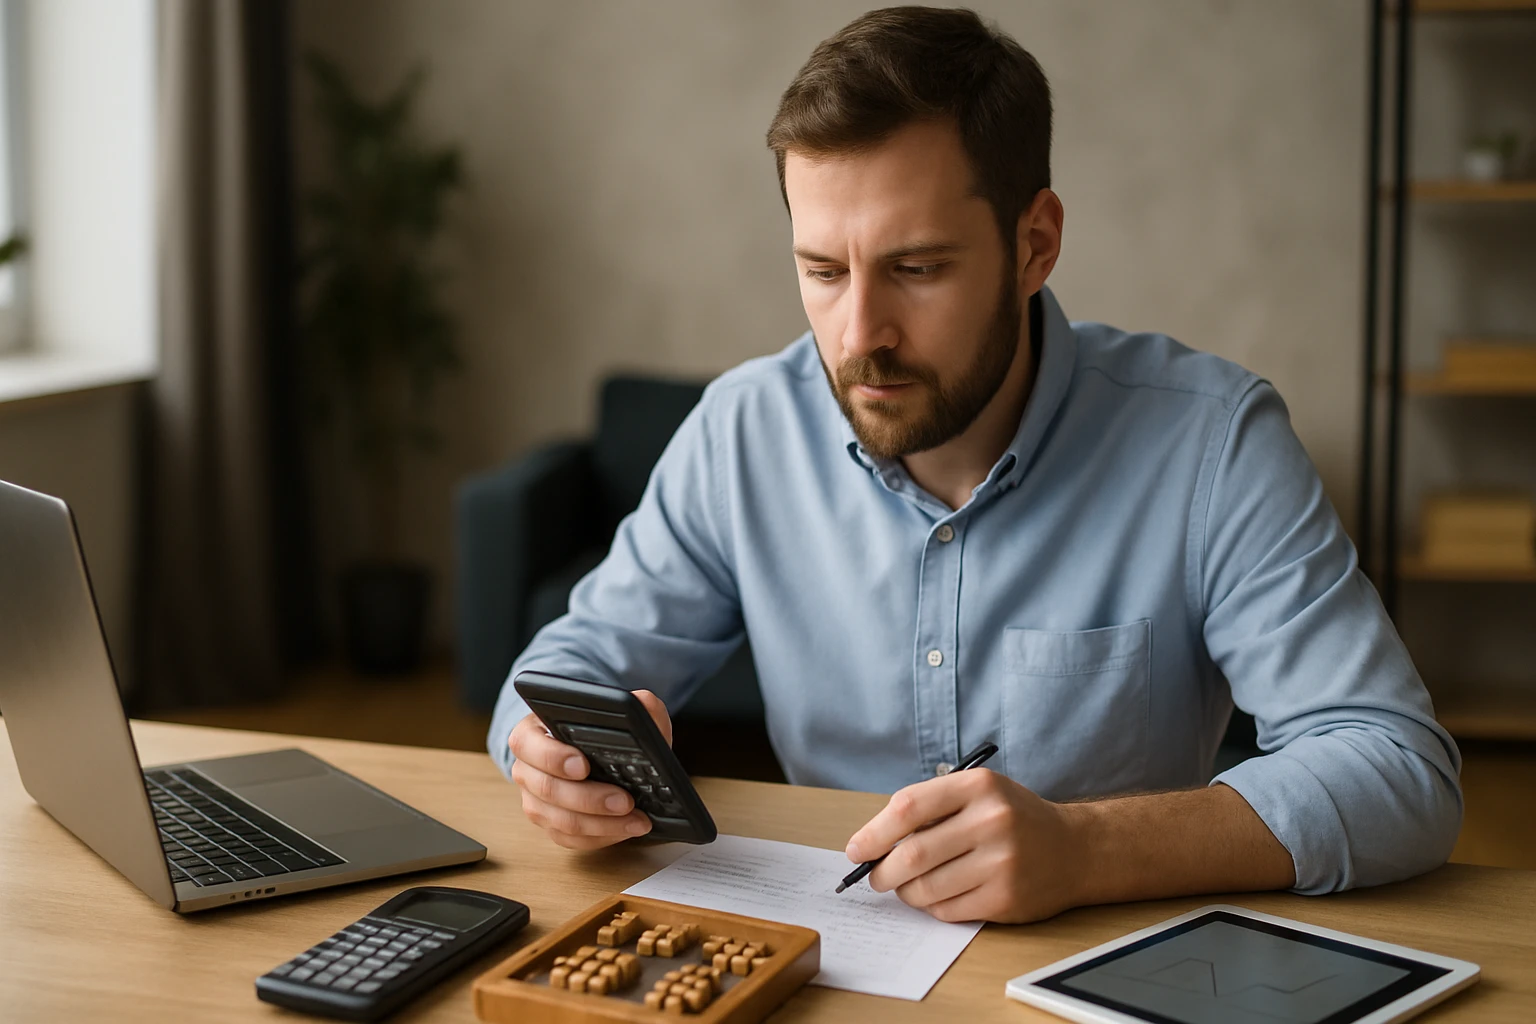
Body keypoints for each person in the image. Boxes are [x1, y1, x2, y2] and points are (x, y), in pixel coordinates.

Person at [487, 6, 1461, 924]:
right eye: (823, 270)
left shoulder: (1212, 443)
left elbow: (1396, 770)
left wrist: (1085, 848)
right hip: (830, 964)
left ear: (1034, 245)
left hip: (1106, 971)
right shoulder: (741, 431)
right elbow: (555, 680)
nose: (859, 334)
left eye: (916, 269)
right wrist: (552, 762)